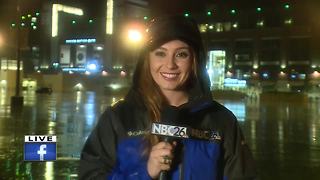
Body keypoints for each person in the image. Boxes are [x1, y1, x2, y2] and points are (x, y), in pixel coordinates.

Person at [79, 15, 256, 180]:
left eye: (181, 54)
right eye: (160, 53)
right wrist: (144, 173)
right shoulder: (118, 119)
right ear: (146, 59)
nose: (170, 65)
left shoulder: (222, 121)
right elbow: (90, 175)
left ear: (195, 60)